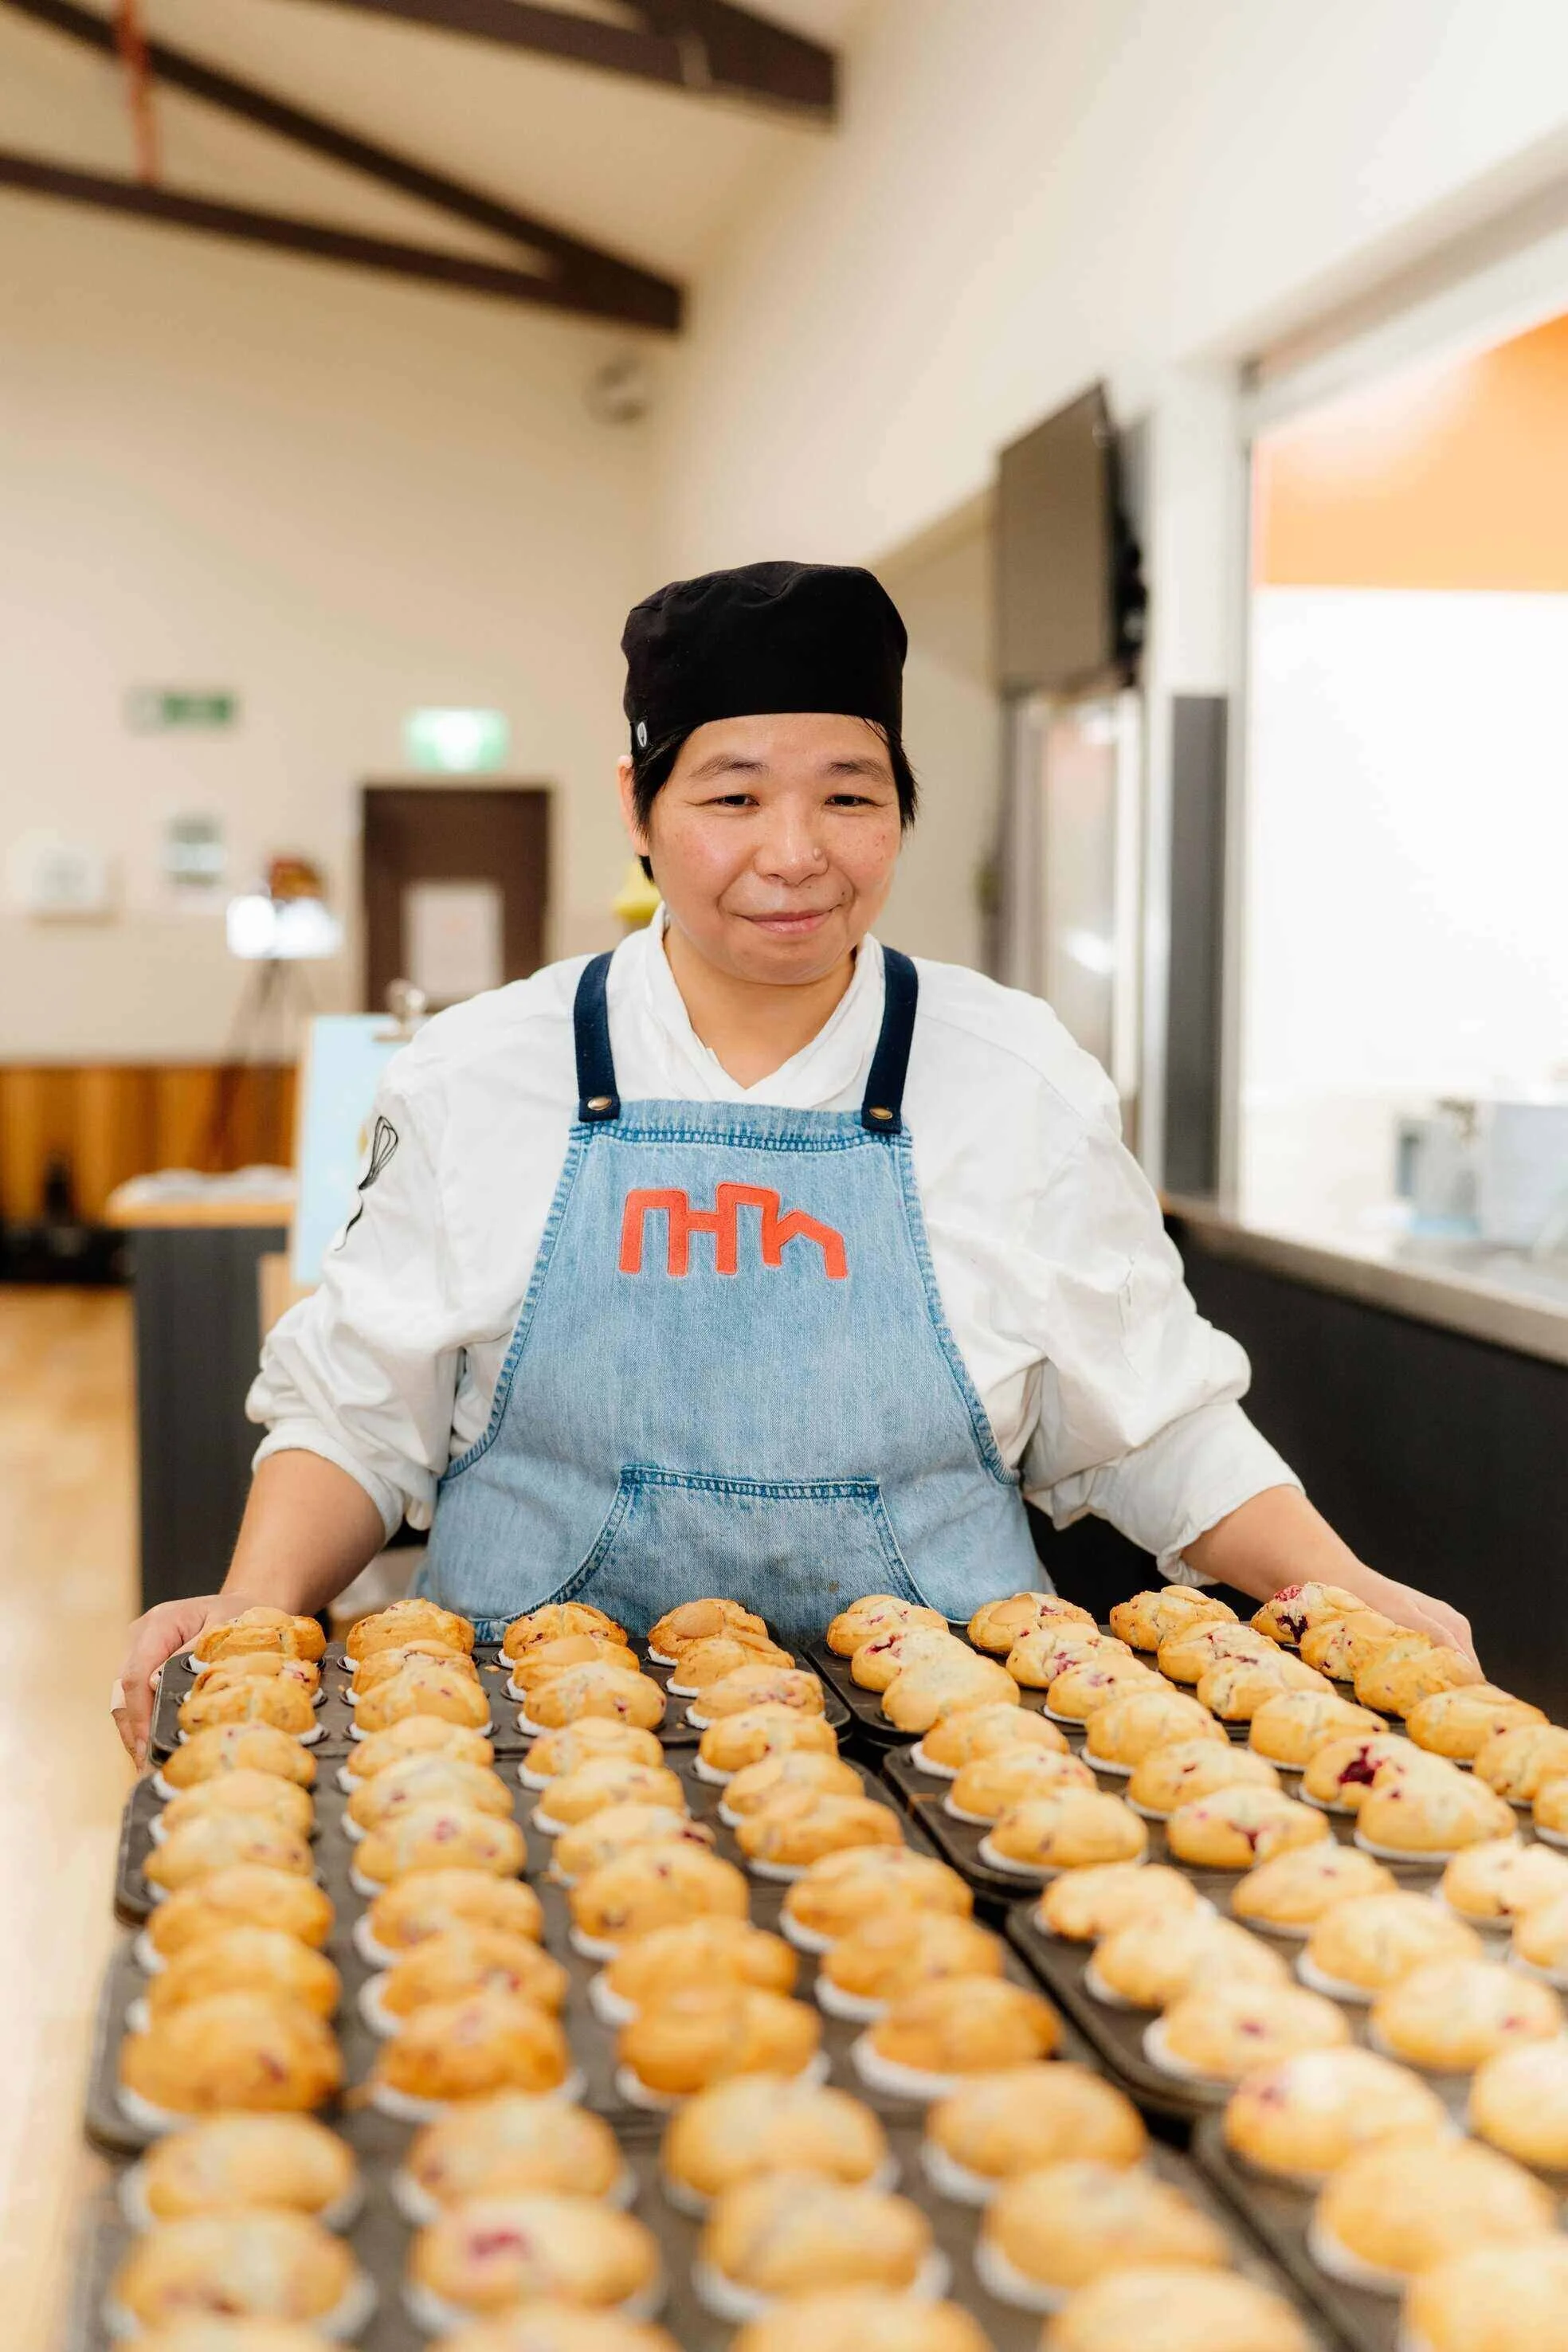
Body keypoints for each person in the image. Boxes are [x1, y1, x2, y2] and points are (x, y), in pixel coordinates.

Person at [113, 560, 1470, 1758]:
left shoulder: (1015, 1072)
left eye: (848, 795)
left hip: (951, 1756)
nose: (793, 853)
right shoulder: (483, 1071)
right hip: (521, 1751)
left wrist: (1343, 1586)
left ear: (900, 813)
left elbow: (1154, 1415)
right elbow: (360, 1415)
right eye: (733, 794)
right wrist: (249, 1615)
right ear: (639, 807)